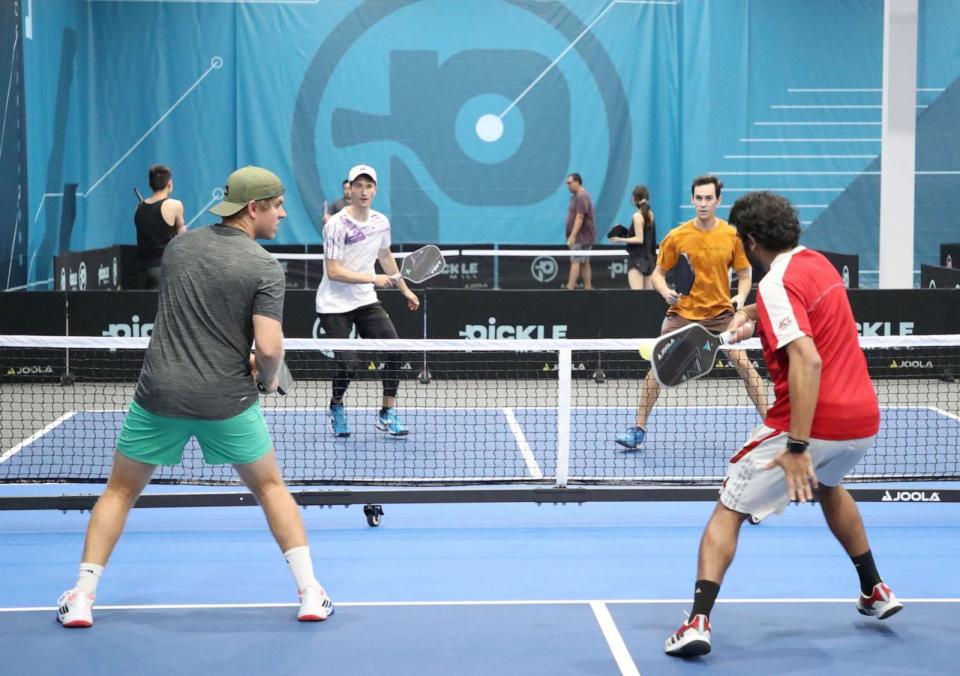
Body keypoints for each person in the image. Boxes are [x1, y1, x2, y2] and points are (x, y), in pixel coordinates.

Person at [57, 166, 333, 628]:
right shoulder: (265, 267)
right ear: (254, 208)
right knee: (269, 488)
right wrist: (265, 377)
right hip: (226, 400)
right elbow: (268, 348)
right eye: (278, 204)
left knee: (120, 492)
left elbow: (199, 314)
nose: (284, 213)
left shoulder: (180, 247)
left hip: (160, 394)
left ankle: (82, 595)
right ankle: (309, 592)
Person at [664, 191, 901, 657]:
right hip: (862, 421)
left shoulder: (774, 284)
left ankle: (696, 622)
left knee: (729, 507)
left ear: (751, 241)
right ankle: (874, 590)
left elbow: (807, 361)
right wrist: (748, 318)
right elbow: (801, 313)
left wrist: (796, 446)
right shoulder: (820, 265)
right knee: (830, 489)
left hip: (812, 420)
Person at [615, 175, 768, 449]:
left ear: (718, 200)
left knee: (743, 363)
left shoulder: (732, 236)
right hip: (683, 313)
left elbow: (745, 275)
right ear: (692, 199)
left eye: (709, 198)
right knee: (659, 367)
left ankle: (772, 427)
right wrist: (664, 291)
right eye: (699, 198)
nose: (703, 203)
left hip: (722, 314)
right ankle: (637, 428)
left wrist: (741, 296)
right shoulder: (678, 236)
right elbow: (659, 274)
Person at [315, 164, 420, 438]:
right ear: (349, 189)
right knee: (349, 364)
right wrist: (372, 279)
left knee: (396, 351)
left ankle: (387, 412)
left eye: (368, 186)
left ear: (375, 190)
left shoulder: (381, 222)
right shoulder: (336, 225)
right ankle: (336, 406)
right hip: (333, 304)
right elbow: (333, 271)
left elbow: (385, 257)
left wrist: (404, 289)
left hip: (364, 301)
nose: (363, 191)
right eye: (358, 186)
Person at [134, 164, 185, 289]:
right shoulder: (174, 205)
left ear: (150, 184)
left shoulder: (138, 208)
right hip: (163, 270)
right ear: (169, 183)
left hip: (142, 272)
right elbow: (181, 233)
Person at [609, 185, 657, 290]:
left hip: (637, 260)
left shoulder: (637, 216)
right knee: (648, 299)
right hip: (649, 261)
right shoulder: (651, 215)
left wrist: (619, 239)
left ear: (634, 199)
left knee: (637, 298)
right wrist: (627, 233)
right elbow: (646, 237)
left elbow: (639, 239)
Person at [564, 173, 596, 290]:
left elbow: (580, 217)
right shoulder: (576, 196)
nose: (567, 185)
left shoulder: (582, 196)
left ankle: (570, 288)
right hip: (583, 237)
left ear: (577, 182)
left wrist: (573, 236)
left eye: (569, 183)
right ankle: (588, 287)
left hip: (581, 237)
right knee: (584, 262)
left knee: (576, 260)